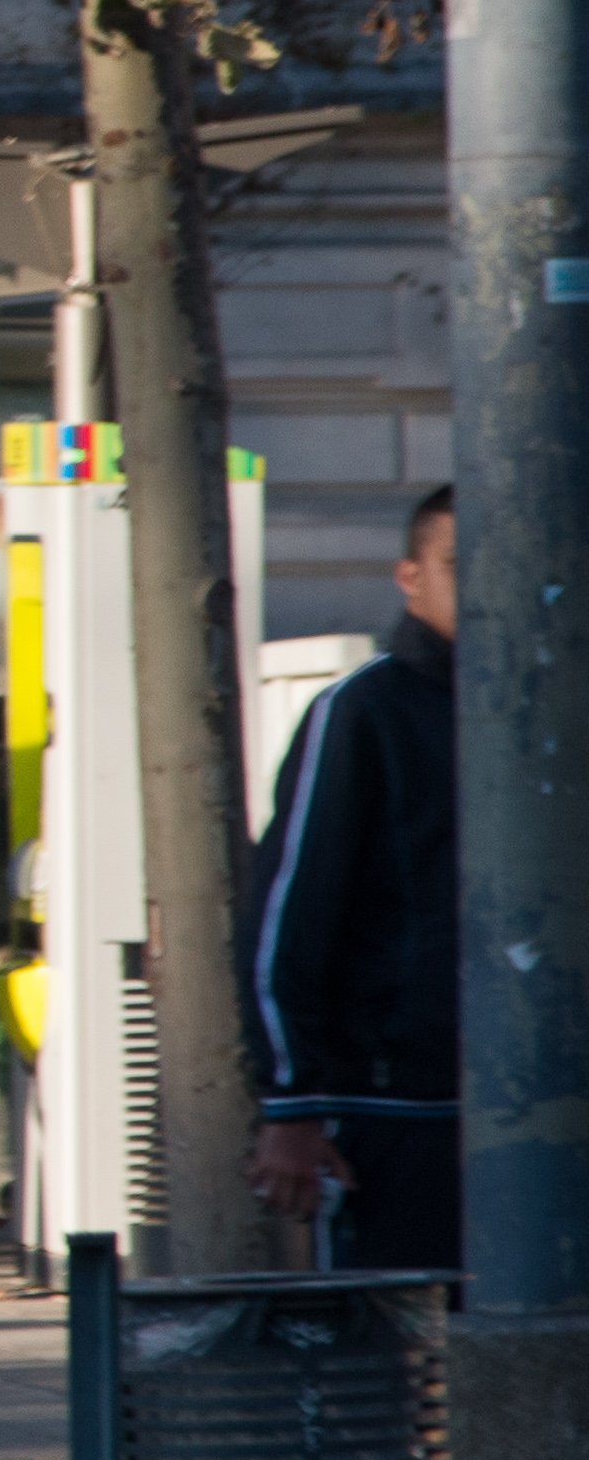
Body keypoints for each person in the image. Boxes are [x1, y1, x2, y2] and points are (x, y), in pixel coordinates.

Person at [249, 485, 461, 1271]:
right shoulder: (363, 712)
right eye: (458, 565)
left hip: (540, 1098)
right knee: (404, 1345)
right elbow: (290, 914)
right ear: (411, 577)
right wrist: (294, 1103)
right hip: (399, 1103)